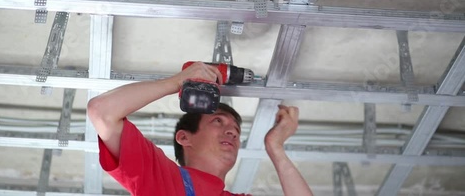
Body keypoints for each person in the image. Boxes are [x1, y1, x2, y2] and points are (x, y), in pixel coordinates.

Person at [88, 62, 313, 195]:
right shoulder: (162, 178)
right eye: (218, 121)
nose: (233, 132)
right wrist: (177, 82)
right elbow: (102, 111)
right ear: (184, 138)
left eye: (236, 128)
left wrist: (275, 147)